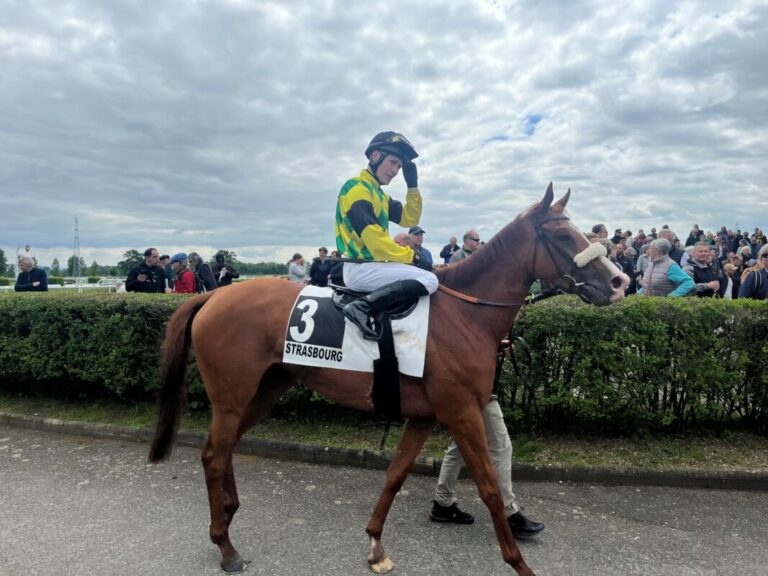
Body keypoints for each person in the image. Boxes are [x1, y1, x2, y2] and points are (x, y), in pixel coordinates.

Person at [430, 348, 544, 535]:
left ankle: (442, 504)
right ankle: (509, 514)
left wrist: (495, 345)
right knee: (501, 447)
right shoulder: (469, 319)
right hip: (475, 386)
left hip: (458, 382)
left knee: (459, 446)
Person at [334, 131, 437, 340]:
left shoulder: (379, 194)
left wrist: (413, 186)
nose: (395, 170)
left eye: (399, 166)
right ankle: (361, 307)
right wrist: (413, 258)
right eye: (392, 162)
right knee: (430, 280)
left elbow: (410, 219)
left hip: (371, 266)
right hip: (360, 268)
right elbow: (377, 245)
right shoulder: (357, 189)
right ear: (375, 157)